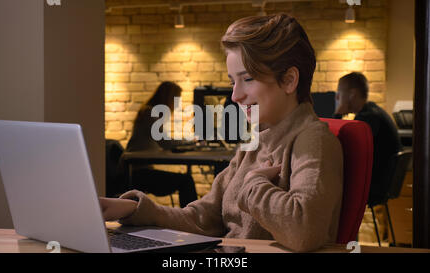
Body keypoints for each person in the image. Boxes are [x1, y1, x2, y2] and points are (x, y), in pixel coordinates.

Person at [100, 14, 343, 252]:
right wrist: (132, 209)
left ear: (289, 80)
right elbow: (202, 217)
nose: (235, 96)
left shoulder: (313, 140)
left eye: (247, 79)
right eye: (232, 82)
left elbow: (304, 232)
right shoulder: (255, 143)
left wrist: (254, 184)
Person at [116, 81, 198, 208]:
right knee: (186, 181)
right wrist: (191, 142)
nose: (176, 105)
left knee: (185, 180)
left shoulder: (149, 112)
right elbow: (165, 142)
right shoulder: (150, 114)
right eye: (176, 100)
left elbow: (164, 141)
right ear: (168, 98)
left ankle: (190, 218)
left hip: (137, 171)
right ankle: (191, 219)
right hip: (138, 174)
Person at [334, 72, 402, 205]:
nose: (337, 98)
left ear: (352, 94)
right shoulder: (373, 112)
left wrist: (337, 113)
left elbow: (338, 147)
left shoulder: (367, 119)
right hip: (382, 183)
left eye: (340, 94)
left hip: (376, 187)